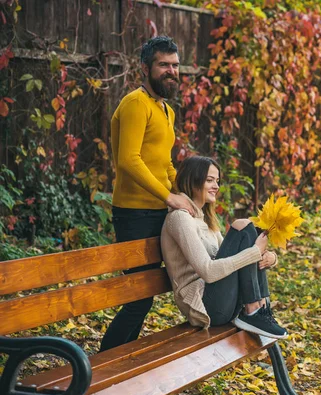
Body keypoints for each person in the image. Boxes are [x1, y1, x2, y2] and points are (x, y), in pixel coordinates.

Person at [100, 36, 195, 352]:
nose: (171, 71)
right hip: (133, 214)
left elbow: (165, 163)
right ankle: (100, 365)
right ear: (146, 68)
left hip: (158, 214)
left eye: (175, 65)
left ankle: (117, 361)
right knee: (139, 297)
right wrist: (169, 198)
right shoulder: (135, 104)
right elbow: (129, 160)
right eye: (163, 64)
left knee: (145, 295)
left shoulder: (165, 111)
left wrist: (186, 195)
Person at [160, 156, 288, 339]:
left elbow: (236, 258)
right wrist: (254, 253)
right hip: (206, 308)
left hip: (221, 300)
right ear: (192, 180)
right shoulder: (180, 219)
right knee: (242, 226)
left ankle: (260, 308)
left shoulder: (206, 219)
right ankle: (253, 310)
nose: (216, 186)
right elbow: (209, 272)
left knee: (247, 229)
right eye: (210, 180)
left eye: (217, 181)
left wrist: (270, 258)